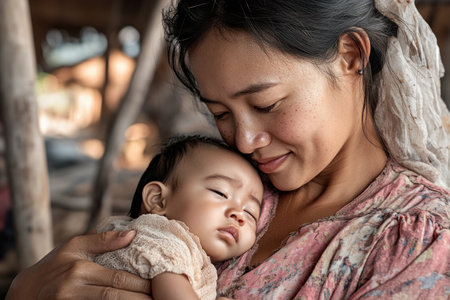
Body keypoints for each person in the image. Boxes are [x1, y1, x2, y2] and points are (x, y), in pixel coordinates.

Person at [6, 0, 450, 299]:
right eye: (219, 112)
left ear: (350, 55)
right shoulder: (226, 183)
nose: (243, 140)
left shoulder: (418, 245)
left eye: (265, 104)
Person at [93, 135, 263, 300]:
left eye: (250, 213)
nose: (239, 215)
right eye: (220, 192)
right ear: (158, 200)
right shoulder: (163, 242)